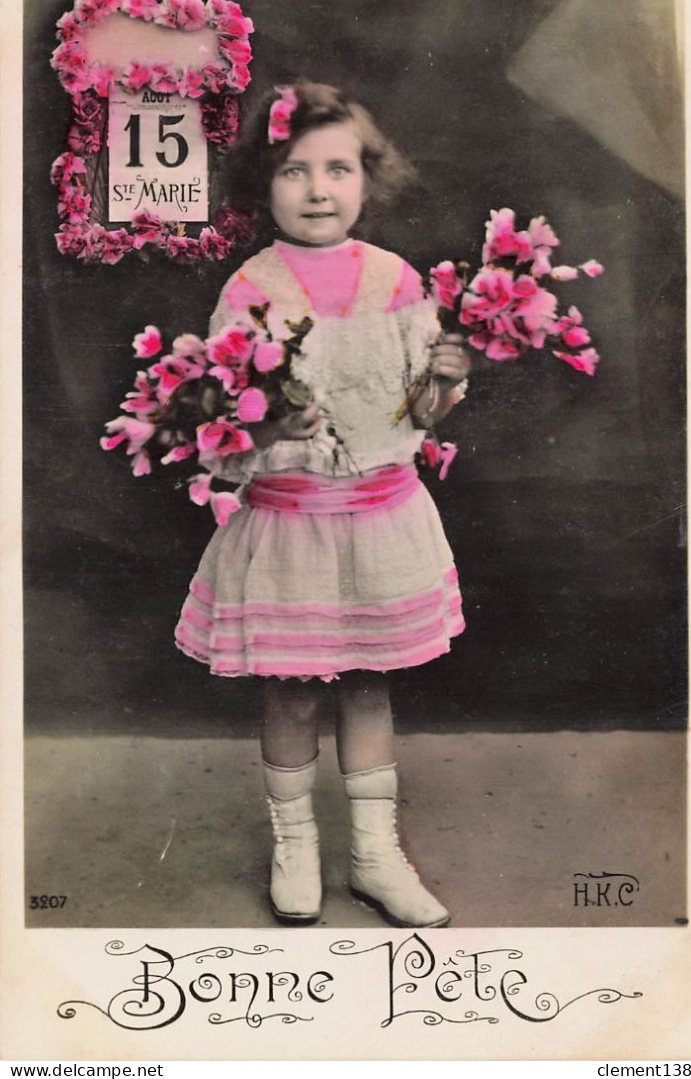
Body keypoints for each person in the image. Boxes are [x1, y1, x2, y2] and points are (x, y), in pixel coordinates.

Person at [175, 81, 473, 928]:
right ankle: (295, 843)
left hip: (379, 517)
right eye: (294, 171)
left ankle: (375, 855)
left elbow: (415, 414)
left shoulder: (394, 279)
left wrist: (444, 380)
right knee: (294, 690)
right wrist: (271, 417)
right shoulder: (252, 286)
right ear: (261, 186)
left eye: (337, 169)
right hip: (293, 520)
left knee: (370, 684)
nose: (317, 189)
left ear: (365, 181)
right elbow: (223, 422)